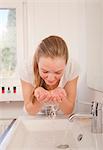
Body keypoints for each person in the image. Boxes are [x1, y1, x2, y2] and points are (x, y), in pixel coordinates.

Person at [20, 35, 79, 116]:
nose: (51, 78)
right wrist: (39, 99)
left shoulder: (72, 67)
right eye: (45, 71)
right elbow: (30, 111)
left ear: (66, 64)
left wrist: (62, 98)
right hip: (34, 119)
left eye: (58, 72)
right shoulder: (27, 68)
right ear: (37, 63)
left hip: (62, 118)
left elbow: (69, 110)